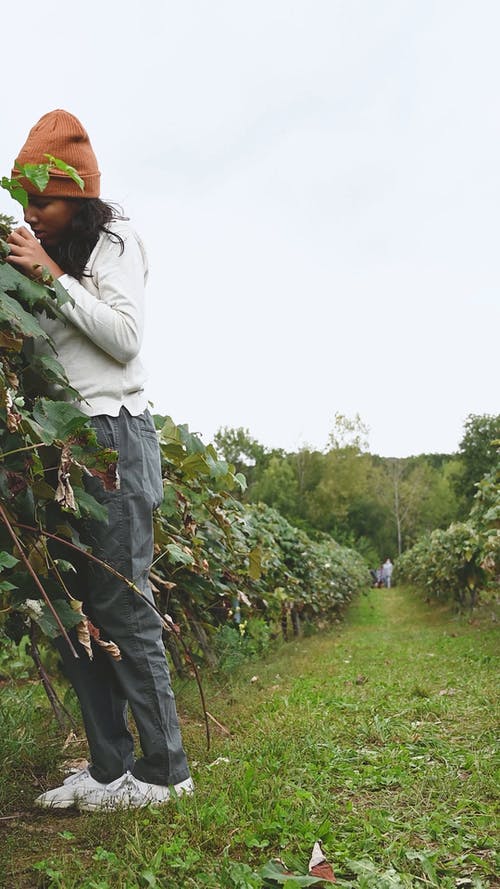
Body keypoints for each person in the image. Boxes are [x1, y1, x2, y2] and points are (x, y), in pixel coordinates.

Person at [6, 110, 193, 812]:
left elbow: (123, 337)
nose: (31, 213)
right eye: (23, 200)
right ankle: (111, 766)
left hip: (112, 439)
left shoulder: (114, 242)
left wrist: (51, 276)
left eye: (45, 200)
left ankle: (166, 770)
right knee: (70, 608)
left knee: (120, 601)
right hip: (54, 450)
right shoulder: (37, 259)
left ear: (79, 195)